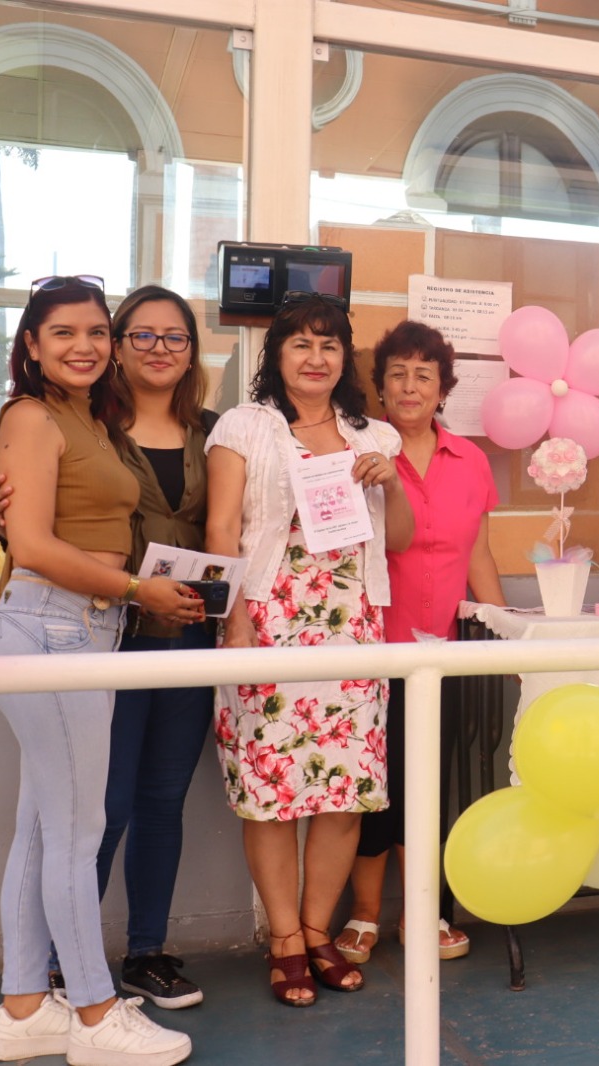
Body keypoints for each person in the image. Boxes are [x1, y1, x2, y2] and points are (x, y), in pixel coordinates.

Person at [0, 274, 197, 1066]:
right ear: (32, 346)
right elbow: (33, 547)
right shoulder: (33, 414)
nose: (85, 346)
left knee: (42, 830)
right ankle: (100, 1019)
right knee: (77, 835)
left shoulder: (85, 417)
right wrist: (142, 589)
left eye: (96, 332)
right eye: (63, 333)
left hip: (78, 628)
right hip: (52, 627)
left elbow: (26, 518)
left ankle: (24, 1008)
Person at [205, 292, 414, 1006]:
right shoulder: (245, 426)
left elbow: (402, 537)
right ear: (278, 355)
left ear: (342, 358)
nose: (316, 357)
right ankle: (285, 937)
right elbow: (221, 530)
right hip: (267, 620)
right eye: (301, 343)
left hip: (352, 627)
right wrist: (230, 621)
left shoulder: (373, 437)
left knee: (344, 794)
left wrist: (394, 484)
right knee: (271, 794)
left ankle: (319, 931)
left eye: (329, 345)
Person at [332, 320, 507, 966]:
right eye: (397, 374)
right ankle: (363, 915)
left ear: (442, 390)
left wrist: (504, 635)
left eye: (423, 375)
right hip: (373, 649)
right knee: (374, 789)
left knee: (430, 785)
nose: (410, 387)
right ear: (378, 389)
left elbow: (478, 555)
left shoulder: (472, 461)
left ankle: (424, 913)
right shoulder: (360, 455)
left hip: (447, 651)